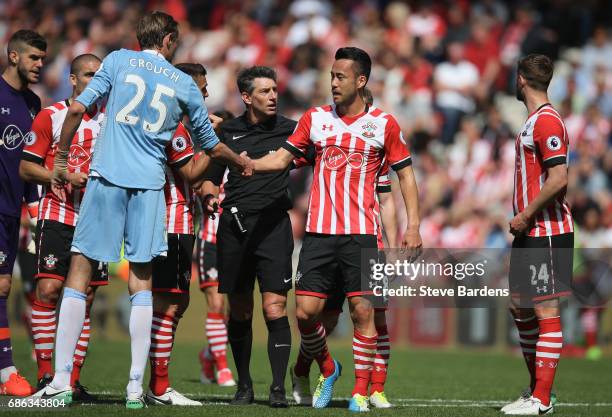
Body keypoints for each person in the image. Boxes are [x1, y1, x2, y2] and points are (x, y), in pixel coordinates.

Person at [33, 12, 251, 408]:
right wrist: (241, 163)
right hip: (150, 184)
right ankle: (136, 388)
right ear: (168, 41)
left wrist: (62, 159)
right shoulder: (183, 82)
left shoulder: (116, 60)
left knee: (79, 271)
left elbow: (79, 109)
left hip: (107, 176)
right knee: (142, 281)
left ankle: (59, 382)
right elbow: (212, 145)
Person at [251, 47, 422, 412]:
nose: (333, 82)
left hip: (362, 235)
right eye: (331, 76)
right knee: (306, 314)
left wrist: (413, 227)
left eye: (340, 76)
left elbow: (404, 176)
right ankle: (328, 368)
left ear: (361, 81)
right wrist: (243, 163)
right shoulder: (314, 119)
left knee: (365, 312)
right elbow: (282, 158)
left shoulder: (384, 124)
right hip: (319, 234)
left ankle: (362, 392)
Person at [290, 89, 400, 409]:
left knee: (374, 315)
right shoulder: (325, 135)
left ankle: (373, 388)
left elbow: (387, 199)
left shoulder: (376, 153)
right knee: (324, 320)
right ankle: (302, 369)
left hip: (367, 241)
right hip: (327, 238)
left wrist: (390, 247)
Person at [201, 66, 296, 407]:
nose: (273, 96)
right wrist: (210, 195)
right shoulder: (228, 130)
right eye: (265, 91)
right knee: (240, 309)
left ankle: (278, 388)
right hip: (235, 228)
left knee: (274, 307)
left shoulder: (291, 130)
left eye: (275, 90)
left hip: (273, 227)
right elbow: (210, 177)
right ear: (246, 97)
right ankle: (243, 385)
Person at [19, 53, 107, 401]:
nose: (95, 81)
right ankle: (45, 374)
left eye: (100, 77)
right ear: (72, 80)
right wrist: (60, 174)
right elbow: (27, 168)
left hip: (98, 219)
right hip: (57, 215)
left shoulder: (111, 121)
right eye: (88, 75)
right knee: (48, 293)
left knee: (85, 298)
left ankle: (71, 380)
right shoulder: (50, 116)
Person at [502, 54, 574, 416]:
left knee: (545, 309)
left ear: (520, 80)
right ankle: (537, 390)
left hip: (545, 229)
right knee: (519, 306)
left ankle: (542, 399)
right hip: (530, 230)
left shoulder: (546, 122)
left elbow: (559, 178)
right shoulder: (534, 122)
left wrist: (527, 213)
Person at [146, 62, 220, 406]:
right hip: (169, 223)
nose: (204, 95)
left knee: (178, 301)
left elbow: (193, 178)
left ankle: (155, 380)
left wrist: (207, 193)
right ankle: (157, 386)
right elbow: (190, 172)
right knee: (167, 303)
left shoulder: (180, 127)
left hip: (180, 221)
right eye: (200, 89)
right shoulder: (174, 126)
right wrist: (213, 143)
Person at [0, 29, 47, 397]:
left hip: (12, 209)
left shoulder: (33, 102)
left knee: (4, 285)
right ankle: (6, 372)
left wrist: (33, 206)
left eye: (43, 59)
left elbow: (30, 162)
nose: (40, 65)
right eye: (34, 57)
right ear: (13, 56)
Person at [196, 110, 236, 388]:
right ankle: (222, 367)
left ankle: (209, 354)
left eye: (216, 123)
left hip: (235, 244)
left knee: (234, 312)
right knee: (216, 303)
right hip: (210, 239)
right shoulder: (202, 160)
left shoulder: (238, 159)